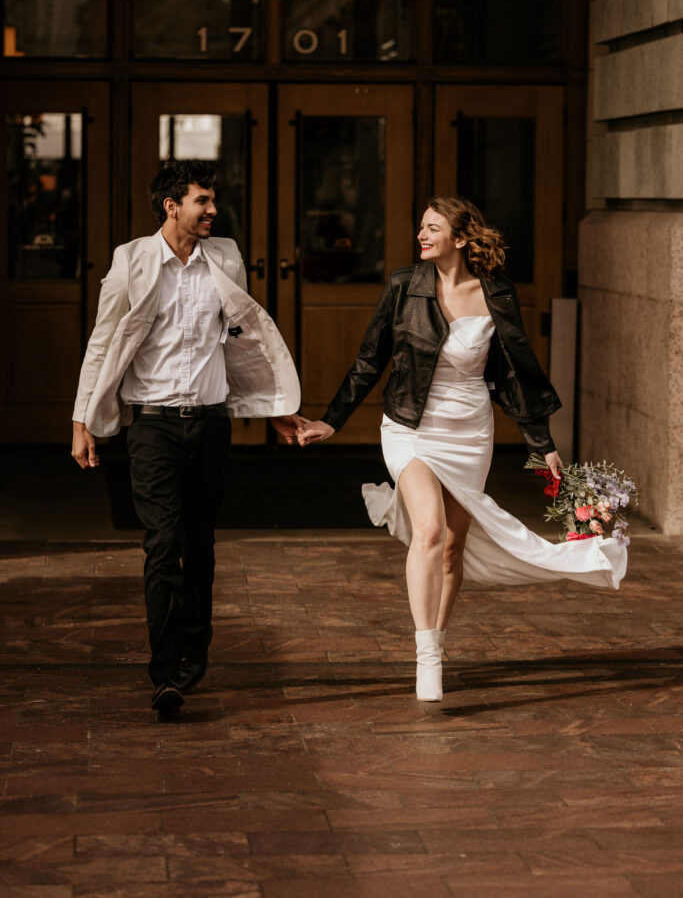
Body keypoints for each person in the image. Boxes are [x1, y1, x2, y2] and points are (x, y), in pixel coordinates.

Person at [298, 195, 627, 702]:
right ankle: (426, 655)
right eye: (421, 228)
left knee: (453, 547)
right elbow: (370, 360)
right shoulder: (404, 286)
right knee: (429, 531)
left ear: (461, 237)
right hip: (409, 427)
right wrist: (331, 421)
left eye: (432, 228)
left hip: (469, 434)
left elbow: (516, 372)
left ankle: (441, 636)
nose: (422, 236)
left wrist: (543, 444)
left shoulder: (496, 294)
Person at [71, 160, 303, 715]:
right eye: (203, 200)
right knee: (162, 543)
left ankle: (194, 651)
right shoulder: (132, 260)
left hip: (210, 421)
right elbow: (103, 341)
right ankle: (165, 667)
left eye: (212, 200)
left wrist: (269, 406)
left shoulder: (223, 257)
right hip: (151, 424)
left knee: (200, 542)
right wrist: (82, 419)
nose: (213, 211)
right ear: (172, 205)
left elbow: (240, 339)